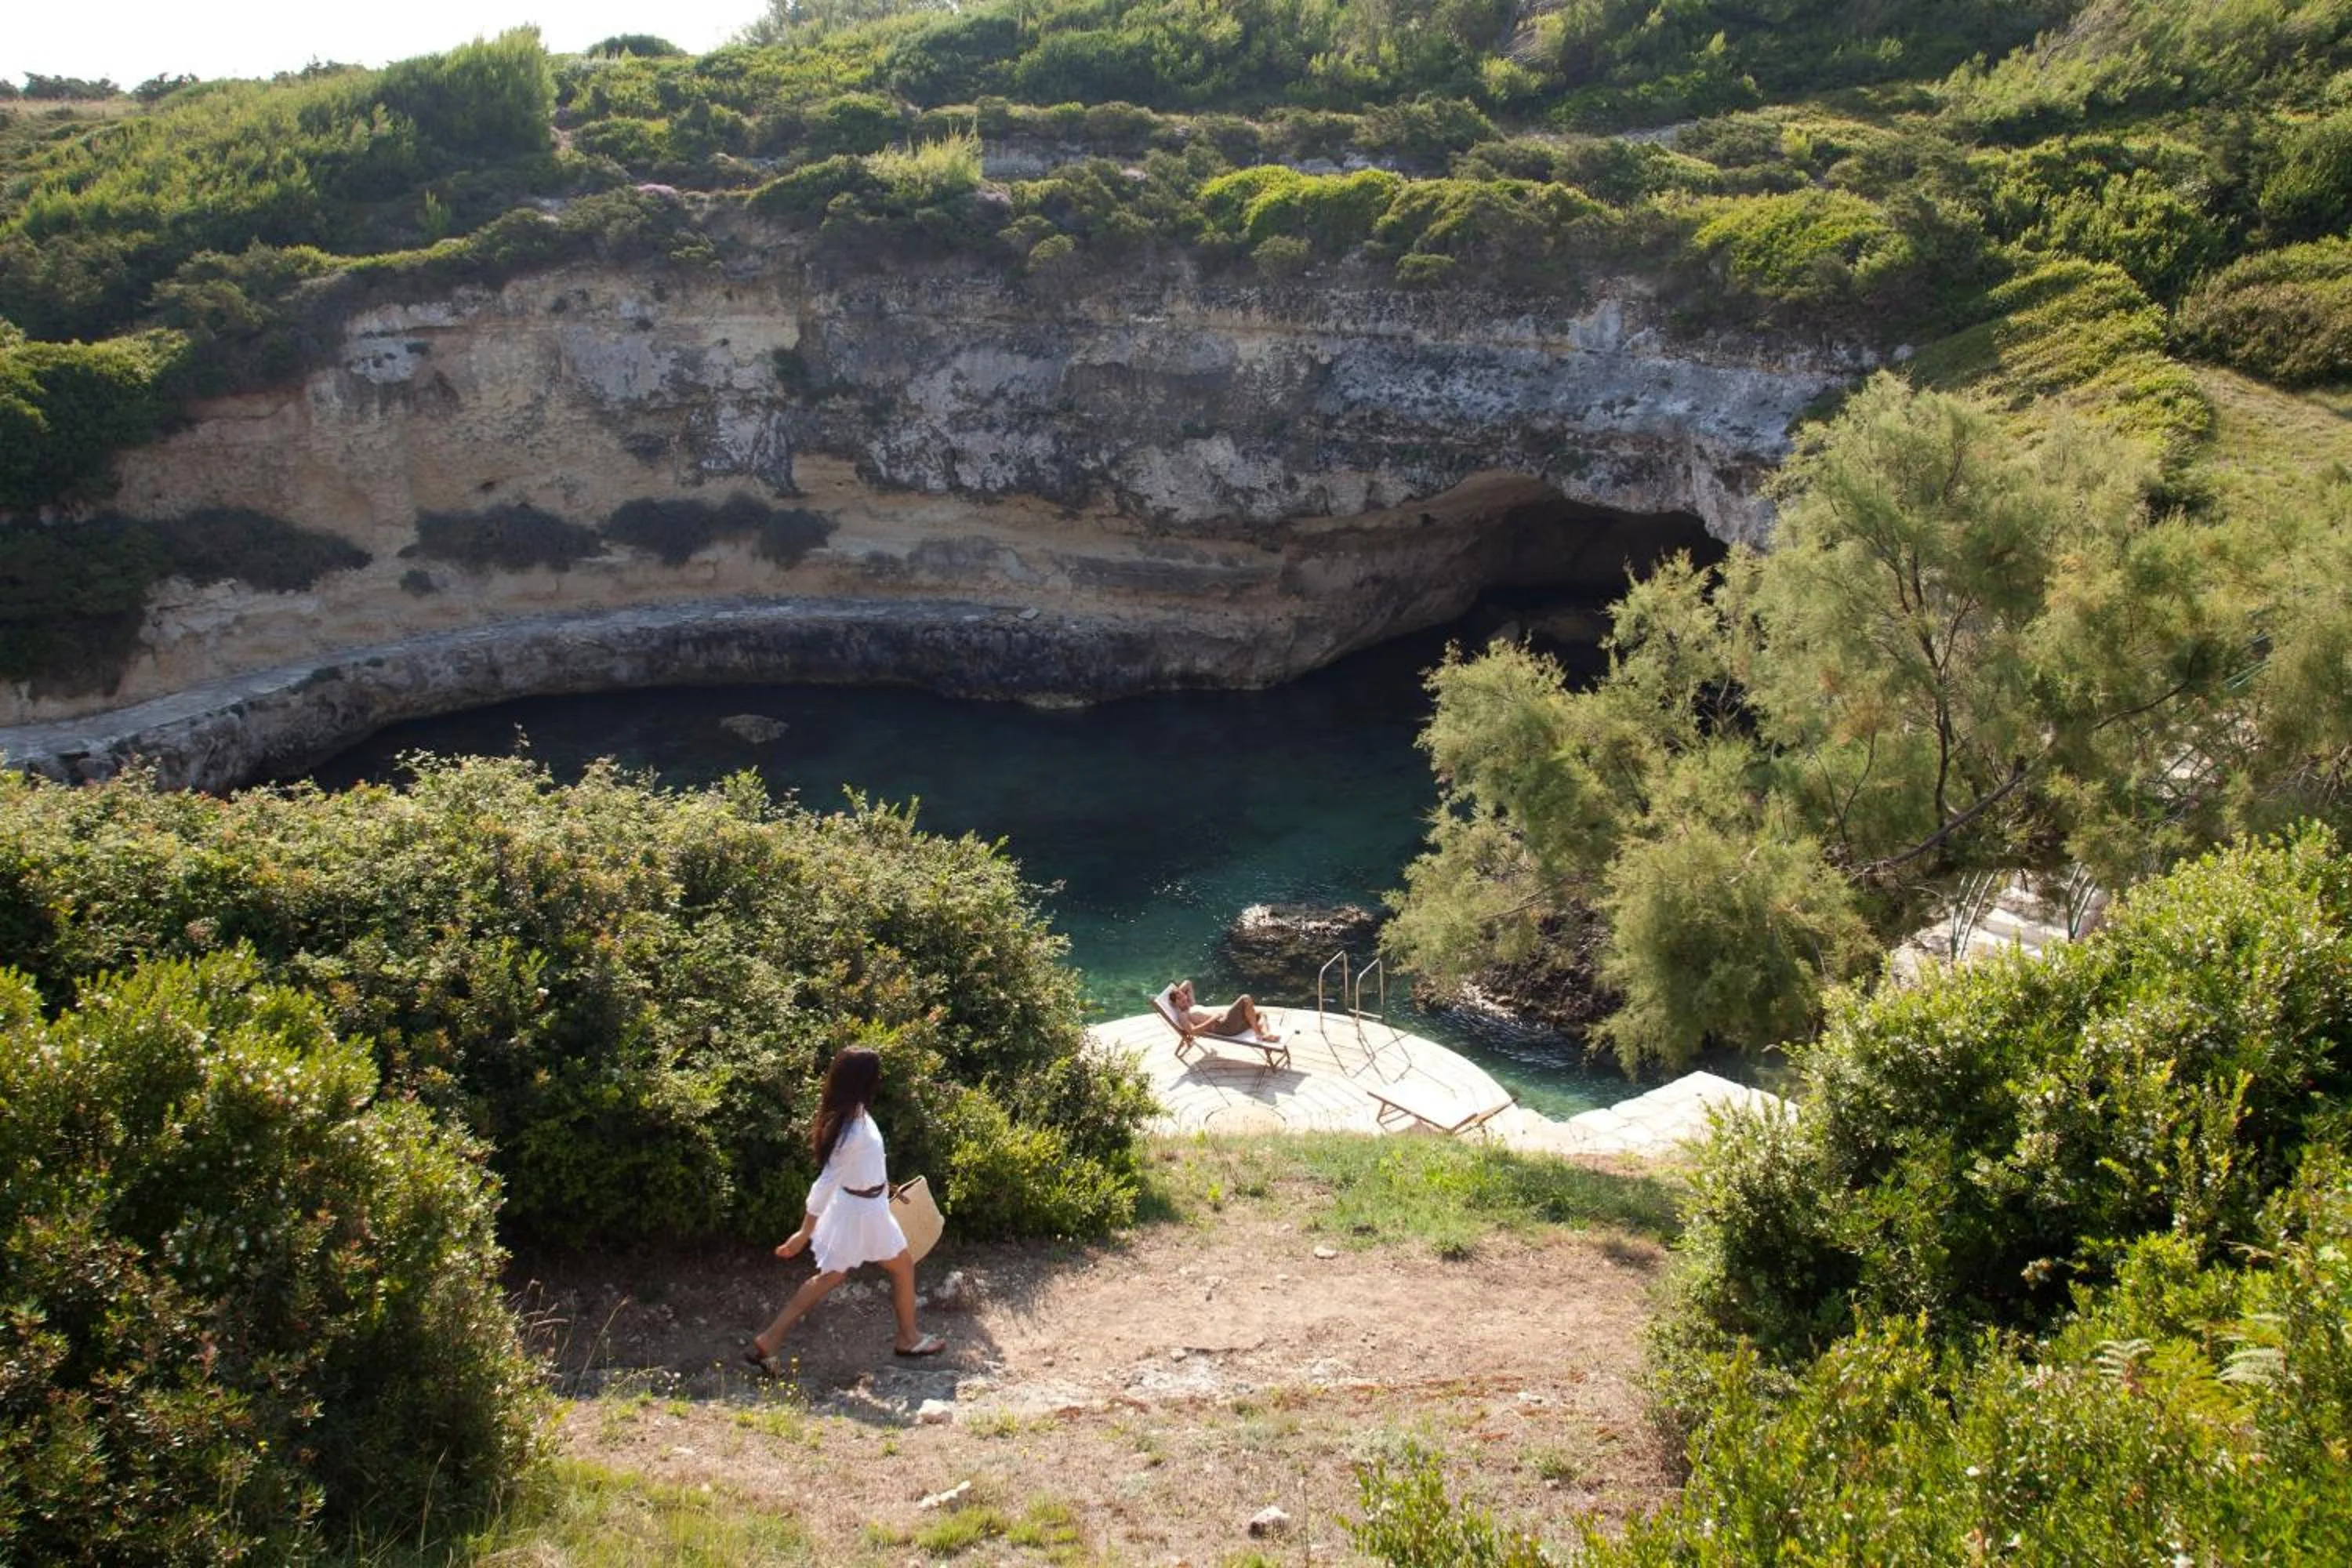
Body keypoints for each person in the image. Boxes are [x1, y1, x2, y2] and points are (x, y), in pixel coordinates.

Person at [745, 1046, 945, 1373]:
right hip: (864, 1214)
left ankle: (769, 1339)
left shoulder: (850, 1114)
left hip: (862, 1207)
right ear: (864, 1081)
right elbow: (825, 1182)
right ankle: (908, 1338)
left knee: (834, 1276)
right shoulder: (852, 1129)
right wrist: (804, 1232)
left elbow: (854, 1168)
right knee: (899, 1267)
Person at [1166, 978, 1279, 1040]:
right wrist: (1213, 1019)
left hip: (1229, 1023)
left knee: (1260, 1014)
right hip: (1223, 1026)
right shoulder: (1183, 1015)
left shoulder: (1191, 1004)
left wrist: (1177, 992)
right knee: (1245, 999)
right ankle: (1257, 1033)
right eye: (1179, 999)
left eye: (1183, 995)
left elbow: (1188, 983)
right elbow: (1193, 1032)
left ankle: (1265, 1034)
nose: (1183, 998)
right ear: (1175, 1004)